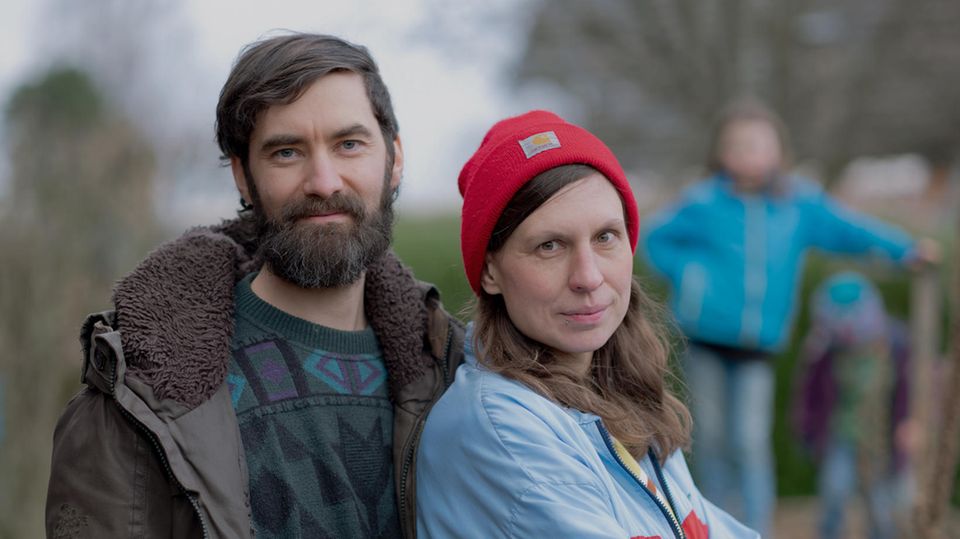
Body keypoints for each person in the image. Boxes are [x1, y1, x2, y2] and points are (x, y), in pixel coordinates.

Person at [45, 33, 464, 539]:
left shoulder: (453, 373)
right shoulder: (137, 396)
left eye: (349, 144)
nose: (325, 181)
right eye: (287, 152)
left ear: (394, 158)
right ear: (244, 176)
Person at [417, 110, 757, 538]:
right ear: (490, 273)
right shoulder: (500, 431)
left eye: (605, 237)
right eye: (550, 246)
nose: (589, 276)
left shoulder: (620, 398)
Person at [641, 98, 935, 536]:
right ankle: (715, 527)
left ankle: (755, 528)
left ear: (778, 150)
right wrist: (689, 274)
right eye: (736, 144)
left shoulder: (798, 205)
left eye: (758, 144)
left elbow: (850, 230)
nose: (747, 152)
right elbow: (656, 240)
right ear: (721, 151)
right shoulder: (703, 203)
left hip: (758, 346)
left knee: (750, 442)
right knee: (713, 441)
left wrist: (905, 250)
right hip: (705, 339)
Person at [792, 272, 915, 539]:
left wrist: (907, 423)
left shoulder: (895, 344)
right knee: (834, 492)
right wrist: (807, 431)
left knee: (882, 507)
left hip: (881, 440)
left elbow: (907, 389)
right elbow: (808, 393)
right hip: (842, 435)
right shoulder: (823, 350)